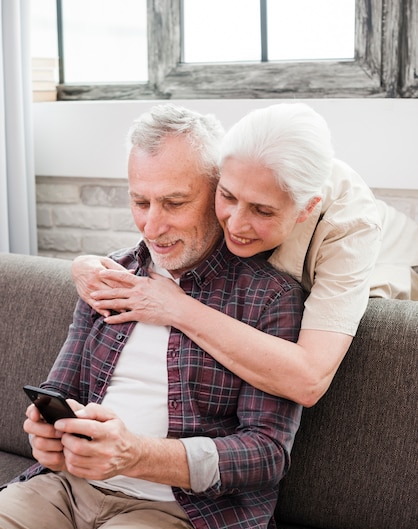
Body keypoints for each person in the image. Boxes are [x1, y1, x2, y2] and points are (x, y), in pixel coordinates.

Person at [0, 104, 304, 529]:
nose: (153, 224)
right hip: (67, 489)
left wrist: (134, 455)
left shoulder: (267, 298)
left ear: (218, 193)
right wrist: (48, 430)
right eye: (140, 201)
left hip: (181, 517)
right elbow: (61, 382)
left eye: (174, 202)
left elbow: (267, 453)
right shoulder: (112, 274)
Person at [72, 103, 418, 407]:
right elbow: (165, 225)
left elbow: (309, 380)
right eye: (227, 196)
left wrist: (175, 307)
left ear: (305, 209)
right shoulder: (242, 160)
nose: (234, 225)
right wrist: (83, 264)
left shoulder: (350, 226)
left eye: (262, 211)